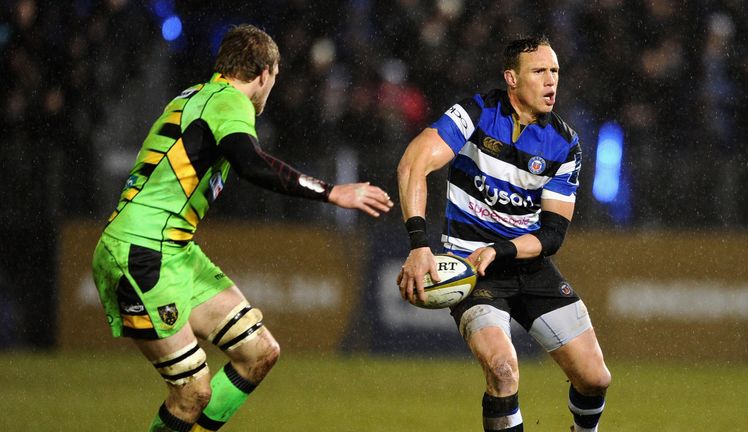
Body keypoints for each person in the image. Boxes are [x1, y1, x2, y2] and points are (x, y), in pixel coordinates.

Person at [91, 24, 393, 432]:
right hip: (141, 250)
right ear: (265, 73)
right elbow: (252, 163)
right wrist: (331, 192)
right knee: (193, 390)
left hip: (174, 249)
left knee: (259, 351)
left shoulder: (198, 96)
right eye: (275, 78)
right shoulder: (231, 102)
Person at [396, 36, 611, 432]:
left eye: (555, 72)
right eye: (540, 72)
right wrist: (418, 244)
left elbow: (552, 235)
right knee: (502, 370)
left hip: (524, 263)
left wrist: (502, 249)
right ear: (512, 78)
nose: (551, 82)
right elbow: (414, 164)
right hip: (470, 269)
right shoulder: (475, 113)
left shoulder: (564, 144)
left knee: (595, 379)